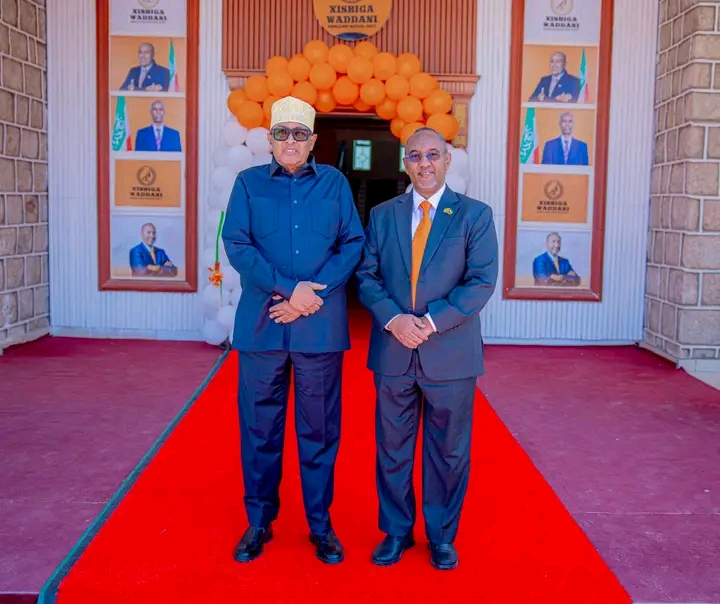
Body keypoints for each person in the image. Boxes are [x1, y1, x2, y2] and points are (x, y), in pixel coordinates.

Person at [221, 96, 364, 565]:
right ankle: (259, 521)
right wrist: (288, 289)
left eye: (299, 134)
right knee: (259, 430)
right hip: (262, 326)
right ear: (270, 138)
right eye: (282, 133)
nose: (290, 141)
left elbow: (352, 244)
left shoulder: (335, 184)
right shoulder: (248, 184)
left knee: (319, 430)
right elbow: (237, 244)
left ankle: (320, 526)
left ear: (312, 140)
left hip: (318, 329)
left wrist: (308, 297)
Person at [355, 127, 499, 570]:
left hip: (450, 353)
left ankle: (441, 536)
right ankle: (396, 531)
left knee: (449, 452)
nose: (424, 164)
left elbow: (481, 282)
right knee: (392, 449)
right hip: (394, 349)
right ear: (406, 163)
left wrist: (430, 322)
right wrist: (395, 319)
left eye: (433, 155)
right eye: (415, 156)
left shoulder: (474, 215)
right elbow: (366, 276)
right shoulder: (383, 215)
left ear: (447, 160)